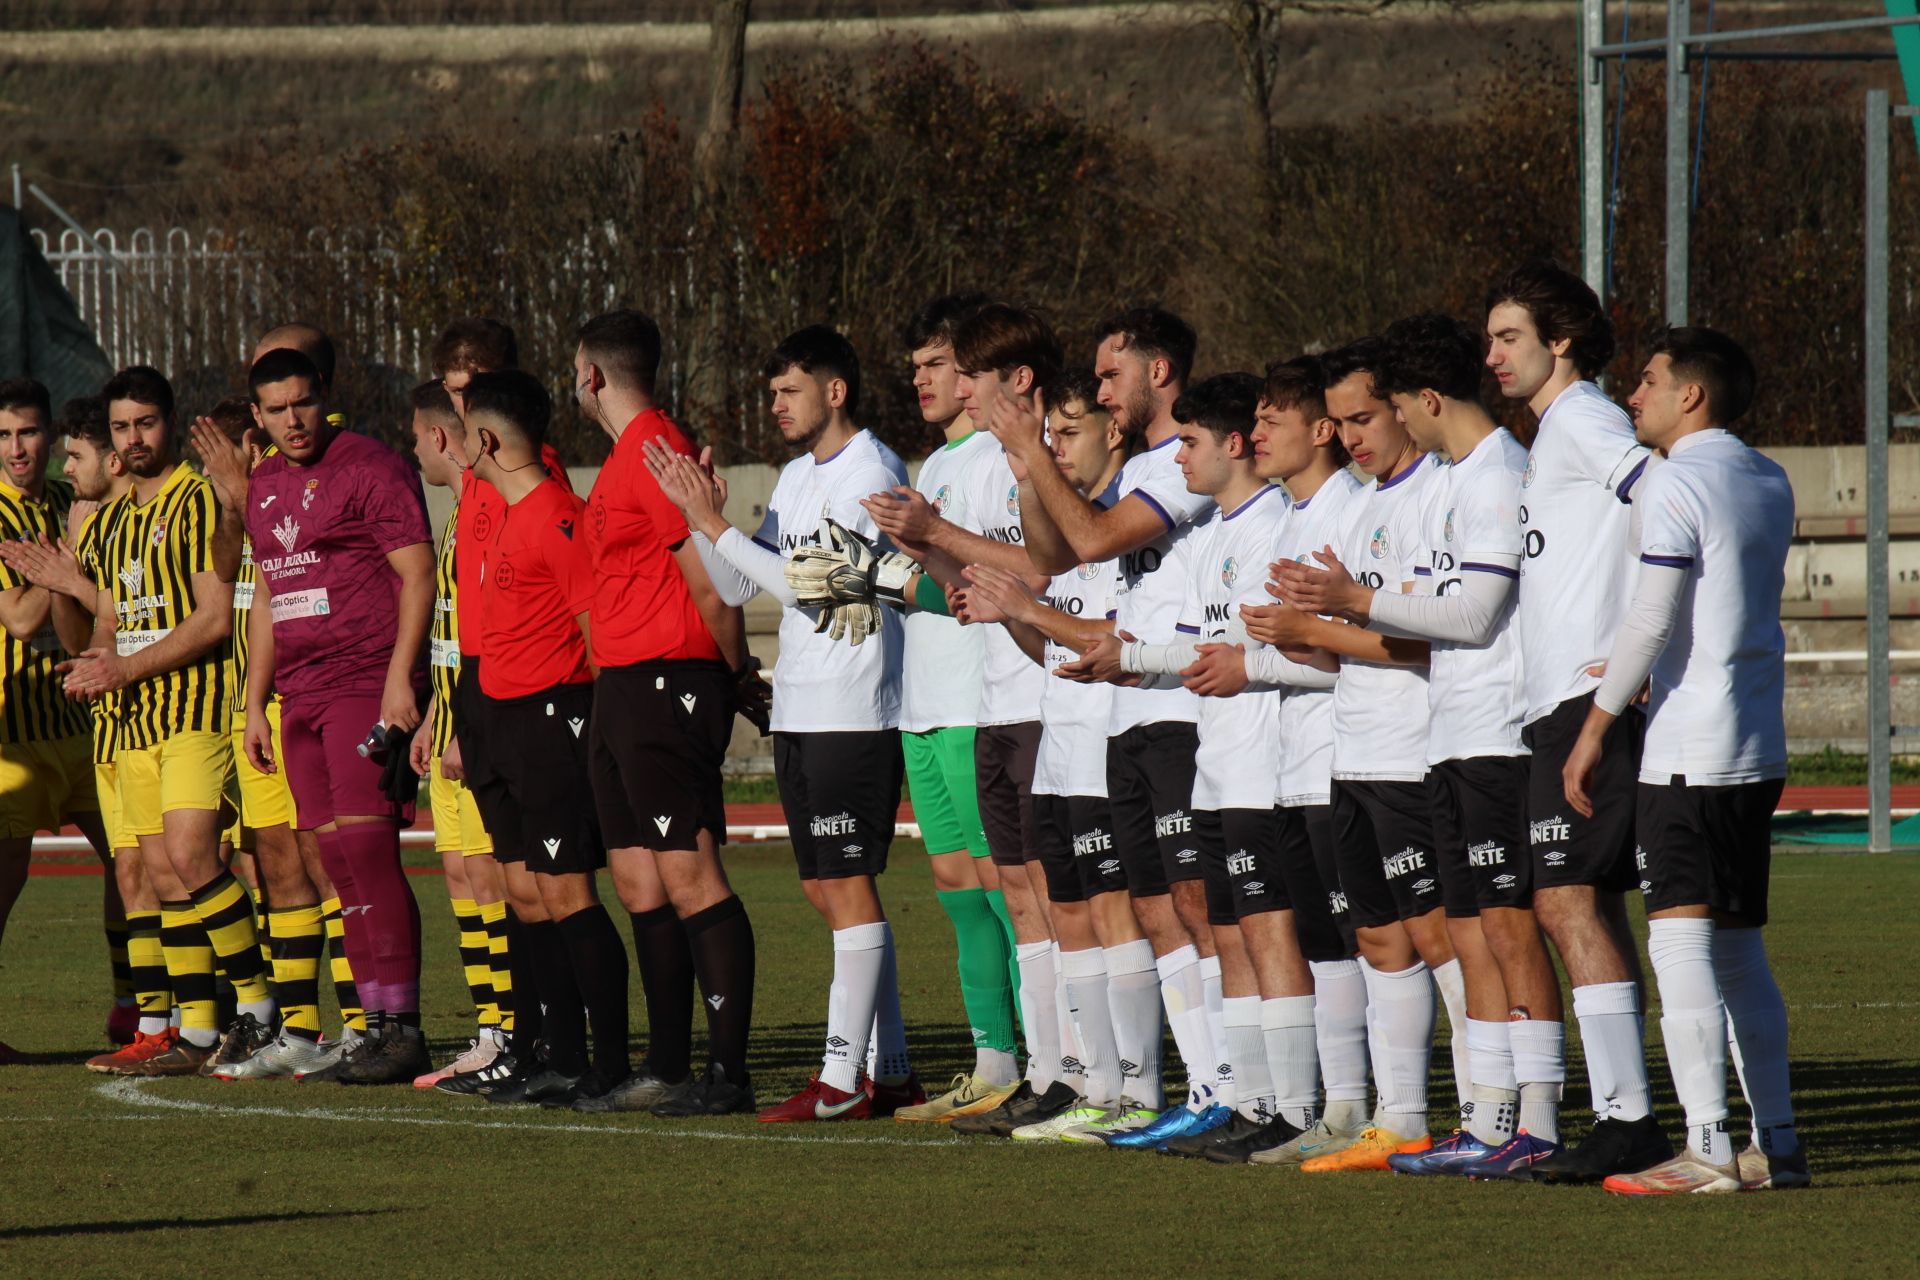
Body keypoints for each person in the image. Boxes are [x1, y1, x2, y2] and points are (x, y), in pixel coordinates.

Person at [1278, 315, 1567, 1178]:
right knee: (1473, 931)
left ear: (1420, 403)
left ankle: (1537, 1117)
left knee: (1502, 930)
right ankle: (1485, 1118)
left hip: (1488, 735)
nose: (1358, 434)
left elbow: (1469, 617)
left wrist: (1345, 607)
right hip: (1438, 737)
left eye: (1376, 412)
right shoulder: (1442, 483)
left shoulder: (1496, 476)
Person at [647, 325, 921, 1123]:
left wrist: (718, 526)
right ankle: (893, 1068)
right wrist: (704, 519)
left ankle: (841, 1080)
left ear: (835, 392)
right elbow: (737, 587)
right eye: (772, 392)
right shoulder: (800, 475)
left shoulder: (871, 470)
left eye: (788, 390)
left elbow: (813, 588)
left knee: (844, 885)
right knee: (827, 887)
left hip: (853, 709)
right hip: (803, 707)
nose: (774, 405)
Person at [1563, 327, 1808, 1195]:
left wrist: (1593, 730)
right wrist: (1640, 672)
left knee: (1678, 945)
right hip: (1754, 744)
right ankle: (1774, 1146)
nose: (1634, 396)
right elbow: (1714, 611)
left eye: (1648, 381)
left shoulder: (1673, 481)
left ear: (1690, 396)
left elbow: (1653, 616)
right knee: (1741, 952)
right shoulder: (1766, 478)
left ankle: (1706, 1149)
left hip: (1686, 753)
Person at [987, 307, 1226, 1150]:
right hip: (1130, 710)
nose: (1098, 391)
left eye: (1109, 375)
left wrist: (1033, 458)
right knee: (1163, 912)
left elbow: (1083, 544)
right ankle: (1198, 1089)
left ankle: (1229, 1089)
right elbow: (1057, 556)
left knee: (1194, 911)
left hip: (1177, 713)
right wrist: (1026, 464)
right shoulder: (1143, 473)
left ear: (1159, 373)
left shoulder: (1179, 465)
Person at [1239, 339, 1462, 1172]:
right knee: (1361, 938)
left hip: (1405, 751)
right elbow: (1341, 641)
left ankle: (1470, 1112)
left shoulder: (1417, 496)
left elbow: (1425, 638)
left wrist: (1306, 634)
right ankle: (1368, 1112)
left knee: (1434, 936)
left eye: (1366, 414)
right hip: (1340, 759)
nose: (1361, 430)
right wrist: (1303, 637)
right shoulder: (1356, 509)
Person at [867, 302, 1072, 1134]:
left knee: (1009, 889)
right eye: (916, 365)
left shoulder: (1001, 458)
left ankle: (1045, 1062)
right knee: (959, 891)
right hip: (932, 703)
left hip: (976, 701)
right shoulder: (941, 460)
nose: (925, 379)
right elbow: (945, 565)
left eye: (941, 364)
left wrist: (891, 577)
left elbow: (1001, 580)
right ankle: (994, 1063)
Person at [1483, 260, 1666, 1183]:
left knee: (1563, 899)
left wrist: (1629, 649)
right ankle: (1626, 1110)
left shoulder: (1586, 418)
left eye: (1509, 337)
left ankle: (1630, 1117)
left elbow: (1663, 498)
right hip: (1556, 700)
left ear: (1560, 340)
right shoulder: (1557, 431)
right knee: (1578, 899)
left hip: (1585, 700)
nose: (1493, 356)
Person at [1099, 372, 1311, 1158]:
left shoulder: (1273, 528)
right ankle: (1251, 1105)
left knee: (1272, 935)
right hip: (1215, 762)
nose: (1178, 456)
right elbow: (1197, 648)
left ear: (1234, 445)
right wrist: (1123, 657)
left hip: (1266, 762)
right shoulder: (1214, 536)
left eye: (1189, 442)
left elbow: (1270, 652)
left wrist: (1132, 658)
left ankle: (1297, 1108)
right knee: (1230, 935)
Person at [955, 370, 1163, 1143]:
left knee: (1119, 916)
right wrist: (1009, 614)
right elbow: (1050, 644)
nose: (1054, 451)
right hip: (1059, 747)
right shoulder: (1062, 529)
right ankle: (1096, 1089)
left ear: (1113, 431)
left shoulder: (1121, 527)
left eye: (1067, 434)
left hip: (1107, 745)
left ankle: (1141, 1092)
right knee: (1070, 916)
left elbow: (1106, 637)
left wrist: (1024, 607)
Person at [568, 309, 763, 1117]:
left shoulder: (655, 450)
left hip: (664, 679)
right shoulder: (626, 457)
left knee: (689, 873)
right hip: (621, 685)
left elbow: (713, 582)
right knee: (640, 879)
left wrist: (734, 671)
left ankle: (728, 1073)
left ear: (590, 377)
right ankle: (670, 1065)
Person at [58, 366, 268, 1077]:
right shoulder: (113, 520)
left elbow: (212, 618)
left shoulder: (197, 500)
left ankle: (261, 1012)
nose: (133, 438)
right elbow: (115, 620)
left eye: (145, 423)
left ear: (169, 423)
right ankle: (199, 1033)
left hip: (196, 712)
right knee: (164, 877)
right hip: (134, 721)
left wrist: (122, 668)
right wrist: (95, 664)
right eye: (121, 427)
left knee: (191, 858)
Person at [241, 348, 434, 1084]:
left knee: (368, 854)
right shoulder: (261, 483)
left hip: (363, 682)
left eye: (303, 403)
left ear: (325, 396)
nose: (294, 421)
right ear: (257, 416)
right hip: (300, 695)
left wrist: (398, 682)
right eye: (277, 409)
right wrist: (256, 700)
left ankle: (403, 1028)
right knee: (334, 866)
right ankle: (370, 1028)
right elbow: (267, 593)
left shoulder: (369, 466)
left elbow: (418, 574)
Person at [447, 369, 631, 1108]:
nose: (458, 443)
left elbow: (596, 631)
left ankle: (609, 1062)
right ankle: (555, 1055)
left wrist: (599, 726)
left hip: (557, 718)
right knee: (527, 894)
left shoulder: (557, 516)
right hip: (508, 719)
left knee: (568, 892)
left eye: (465, 430)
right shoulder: (507, 513)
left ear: (487, 439)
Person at [0, 382, 125, 1063]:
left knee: (130, 859)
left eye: (28, 433)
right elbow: (19, 620)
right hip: (11, 736)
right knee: (5, 886)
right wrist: (60, 568)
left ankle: (133, 1005)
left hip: (77, 720)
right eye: (4, 436)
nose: (17, 449)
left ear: (50, 436)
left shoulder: (66, 500)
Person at [405, 379, 512, 1087]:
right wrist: (436, 718)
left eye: (416, 438)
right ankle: (490, 1029)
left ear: (438, 438)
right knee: (462, 875)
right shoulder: (460, 509)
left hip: (482, 731)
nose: (415, 451)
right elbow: (452, 638)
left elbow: (493, 631)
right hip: (451, 727)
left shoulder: (491, 502)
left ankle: (512, 1029)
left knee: (493, 878)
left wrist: (466, 727)